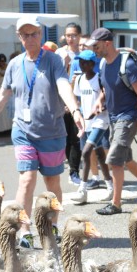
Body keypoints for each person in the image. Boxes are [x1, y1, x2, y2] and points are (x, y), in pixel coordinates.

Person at [0, 15, 84, 243]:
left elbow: (63, 85)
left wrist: (74, 109)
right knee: (26, 179)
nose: (30, 38)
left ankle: (52, 225)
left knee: (52, 183)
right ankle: (24, 230)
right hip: (23, 131)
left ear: (40, 35)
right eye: (25, 34)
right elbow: (2, 96)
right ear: (19, 37)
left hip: (52, 131)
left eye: (34, 34)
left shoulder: (53, 61)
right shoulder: (14, 64)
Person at [84, 27, 137, 215]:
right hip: (113, 118)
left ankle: (116, 204)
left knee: (114, 160)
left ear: (107, 43)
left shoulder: (127, 65)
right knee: (126, 159)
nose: (94, 50)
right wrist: (99, 102)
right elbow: (105, 89)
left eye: (96, 46)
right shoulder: (102, 65)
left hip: (129, 117)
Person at [68, 49, 112, 205]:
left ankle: (82, 190)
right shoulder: (79, 79)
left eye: (86, 62)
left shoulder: (100, 79)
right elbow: (76, 97)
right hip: (86, 123)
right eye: (80, 61)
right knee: (99, 155)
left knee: (86, 152)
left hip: (100, 122)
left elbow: (107, 99)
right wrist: (77, 111)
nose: (82, 64)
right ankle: (111, 187)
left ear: (93, 64)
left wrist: (100, 109)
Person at [56, 23, 84, 183]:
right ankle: (72, 169)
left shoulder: (84, 54)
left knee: (77, 138)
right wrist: (65, 65)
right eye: (67, 35)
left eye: (73, 35)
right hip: (64, 102)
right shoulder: (59, 54)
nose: (70, 39)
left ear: (79, 36)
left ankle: (77, 171)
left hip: (82, 102)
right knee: (67, 137)